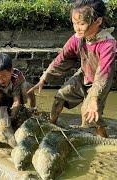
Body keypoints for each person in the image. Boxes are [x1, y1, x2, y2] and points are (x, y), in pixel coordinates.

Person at [28, 0, 116, 137]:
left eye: (81, 24)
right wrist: (44, 78)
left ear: (98, 22)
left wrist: (94, 99)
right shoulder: (78, 38)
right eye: (75, 23)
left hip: (100, 82)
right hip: (84, 74)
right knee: (60, 95)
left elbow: (103, 74)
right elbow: (62, 59)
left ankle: (104, 140)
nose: (77, 28)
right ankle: (51, 125)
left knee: (89, 113)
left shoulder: (107, 44)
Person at [0, 53, 36, 127]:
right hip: (3, 99)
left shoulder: (16, 77)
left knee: (26, 86)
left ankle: (30, 111)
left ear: (11, 71)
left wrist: (11, 118)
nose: (1, 80)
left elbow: (16, 101)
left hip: (17, 99)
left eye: (4, 76)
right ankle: (0, 110)